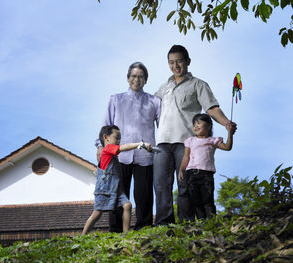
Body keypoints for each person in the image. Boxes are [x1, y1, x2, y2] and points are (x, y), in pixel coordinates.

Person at [153, 45, 237, 225]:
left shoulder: (198, 84)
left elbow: (211, 108)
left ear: (187, 61)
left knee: (185, 185)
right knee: (161, 185)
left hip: (186, 142)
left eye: (179, 61)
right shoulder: (163, 87)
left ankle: (186, 223)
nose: (176, 66)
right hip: (162, 142)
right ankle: (163, 224)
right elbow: (150, 109)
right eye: (171, 62)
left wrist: (226, 123)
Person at [95, 62, 160, 231]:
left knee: (143, 194)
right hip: (119, 156)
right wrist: (99, 146)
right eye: (133, 76)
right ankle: (115, 230)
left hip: (144, 156)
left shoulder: (154, 101)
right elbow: (106, 125)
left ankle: (144, 228)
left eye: (140, 76)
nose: (136, 80)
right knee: (116, 194)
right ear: (127, 78)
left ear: (145, 80)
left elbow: (163, 126)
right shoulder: (116, 99)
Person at [83, 125, 152, 235]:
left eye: (120, 138)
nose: (119, 141)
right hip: (104, 188)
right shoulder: (108, 149)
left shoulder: (112, 153)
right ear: (106, 137)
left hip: (115, 188)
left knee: (127, 205)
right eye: (117, 137)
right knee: (97, 213)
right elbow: (123, 148)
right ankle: (83, 235)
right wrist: (141, 144)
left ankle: (125, 234)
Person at [178, 113, 234, 220]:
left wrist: (230, 134)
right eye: (194, 124)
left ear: (208, 126)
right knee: (196, 201)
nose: (196, 126)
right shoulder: (190, 141)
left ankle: (211, 222)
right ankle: (201, 222)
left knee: (208, 200)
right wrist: (181, 170)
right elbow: (186, 157)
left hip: (206, 175)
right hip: (191, 175)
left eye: (199, 123)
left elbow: (227, 147)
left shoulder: (213, 140)